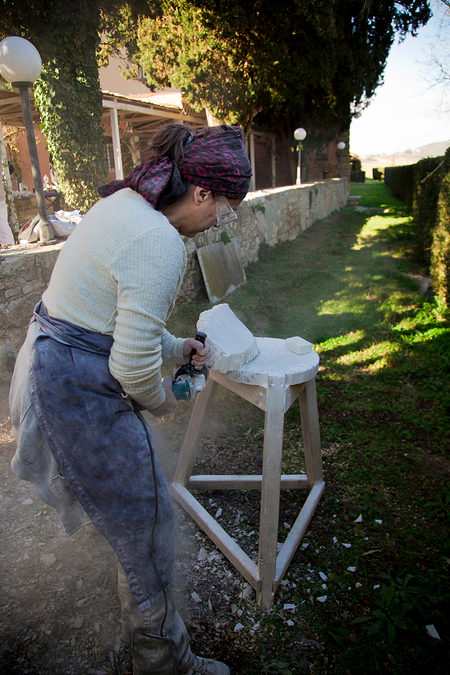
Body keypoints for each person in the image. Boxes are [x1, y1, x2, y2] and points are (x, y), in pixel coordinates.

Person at [9, 123, 252, 675]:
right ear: (203, 193)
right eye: (227, 209)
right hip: (75, 383)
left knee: (130, 510)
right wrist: (164, 400)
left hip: (56, 358)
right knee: (148, 522)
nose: (221, 223)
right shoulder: (159, 243)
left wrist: (175, 346)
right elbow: (129, 365)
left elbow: (111, 319)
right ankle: (165, 662)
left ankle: (146, 614)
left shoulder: (126, 205)